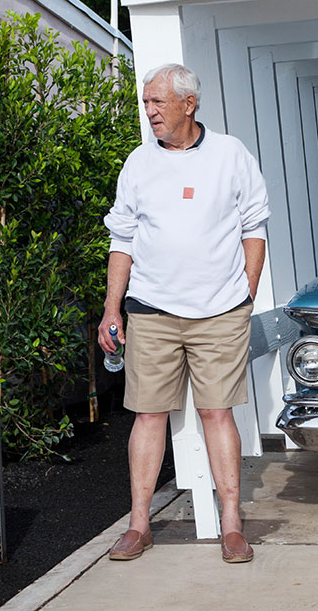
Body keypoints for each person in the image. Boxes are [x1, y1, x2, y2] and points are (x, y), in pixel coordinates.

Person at [98, 63, 270, 564]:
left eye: (157, 102)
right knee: (147, 415)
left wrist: (245, 297)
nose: (148, 111)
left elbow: (253, 227)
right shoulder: (138, 162)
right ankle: (139, 525)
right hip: (151, 311)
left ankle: (232, 525)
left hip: (220, 313)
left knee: (218, 413)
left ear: (188, 105)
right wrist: (113, 308)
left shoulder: (230, 155)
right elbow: (122, 238)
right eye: (146, 102)